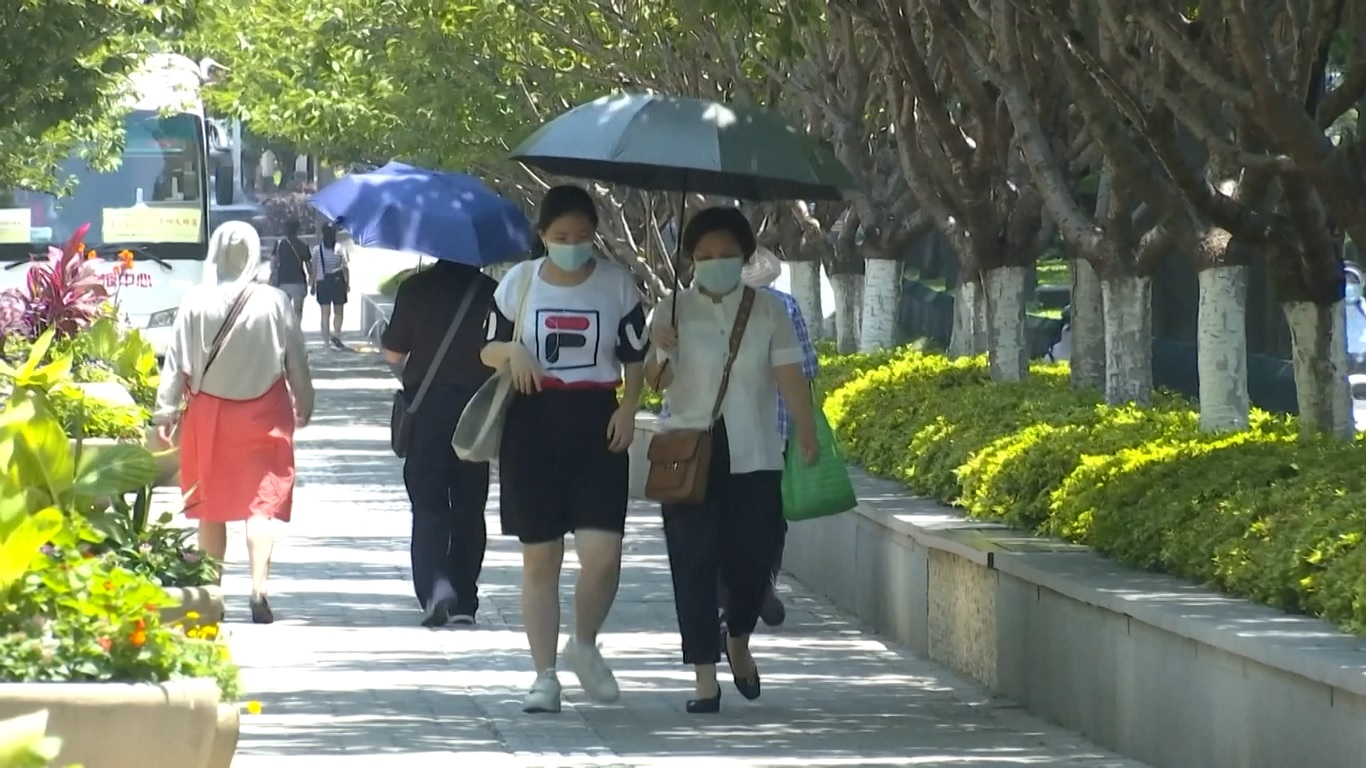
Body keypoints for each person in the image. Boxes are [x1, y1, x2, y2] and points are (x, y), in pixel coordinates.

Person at [479, 185, 648, 714]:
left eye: (581, 236)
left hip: (598, 422)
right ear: (542, 236)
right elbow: (484, 348)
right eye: (560, 237)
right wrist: (514, 351)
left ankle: (584, 642)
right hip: (534, 423)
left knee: (604, 553)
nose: (572, 245)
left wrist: (629, 408)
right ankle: (544, 674)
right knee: (541, 556)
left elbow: (635, 357)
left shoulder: (618, 285)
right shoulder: (519, 282)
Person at [644, 206, 819, 714]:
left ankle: (738, 639)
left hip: (755, 452)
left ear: (745, 257)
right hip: (688, 453)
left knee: (753, 559)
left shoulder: (769, 311)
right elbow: (657, 382)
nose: (714, 262)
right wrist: (659, 348)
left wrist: (806, 433)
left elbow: (789, 376)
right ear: (691, 260)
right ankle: (703, 676)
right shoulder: (671, 308)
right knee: (692, 562)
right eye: (704, 255)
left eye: (725, 254)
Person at [153, 221, 315, 625]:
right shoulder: (275, 301)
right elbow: (296, 357)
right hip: (266, 413)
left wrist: (165, 413)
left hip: (208, 415)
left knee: (212, 507)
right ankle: (259, 588)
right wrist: (305, 399)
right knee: (262, 505)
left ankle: (213, 595)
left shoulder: (195, 301)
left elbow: (175, 364)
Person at [381, 260, 498, 628]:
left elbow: (393, 353)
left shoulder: (415, 288)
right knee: (469, 503)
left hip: (427, 409)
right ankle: (465, 597)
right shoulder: (490, 292)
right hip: (475, 412)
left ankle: (435, 587)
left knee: (429, 503)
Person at [731, 246, 820, 626]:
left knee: (724, 508)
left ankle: (733, 585)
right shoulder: (784, 305)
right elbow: (807, 368)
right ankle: (761, 582)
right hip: (774, 429)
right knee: (768, 512)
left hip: (717, 429)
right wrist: (806, 428)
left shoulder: (696, 310)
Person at [313, 223, 350, 348]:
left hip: (322, 282)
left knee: (325, 313)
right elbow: (345, 267)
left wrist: (312, 284)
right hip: (338, 282)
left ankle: (325, 341)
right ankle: (337, 335)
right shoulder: (340, 249)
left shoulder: (317, 250)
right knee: (338, 311)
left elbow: (314, 268)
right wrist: (347, 284)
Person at [271, 218, 315, 319]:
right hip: (299, 282)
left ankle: (286, 331)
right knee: (298, 311)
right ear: (298, 229)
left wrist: (273, 277)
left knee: (284, 310)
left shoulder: (278, 244)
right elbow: (309, 268)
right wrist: (312, 283)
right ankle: (296, 330)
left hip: (282, 282)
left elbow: (273, 264)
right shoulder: (303, 245)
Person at [1346, 264, 1366, 373]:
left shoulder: (1364, 308)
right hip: (1343, 361)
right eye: (1346, 281)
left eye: (1353, 282)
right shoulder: (1332, 311)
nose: (1349, 285)